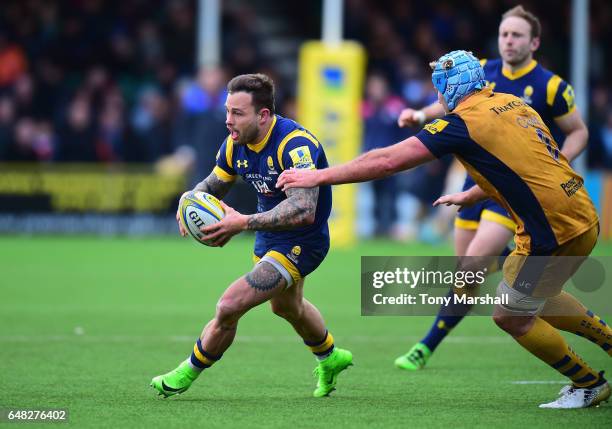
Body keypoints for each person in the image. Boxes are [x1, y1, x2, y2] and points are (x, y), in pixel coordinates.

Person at [277, 50, 611, 409]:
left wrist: (318, 176)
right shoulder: (511, 102)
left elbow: (387, 161)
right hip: (582, 214)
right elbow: (531, 164)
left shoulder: (461, 124)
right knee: (538, 297)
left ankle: (588, 382)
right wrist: (472, 193)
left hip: (550, 230)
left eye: (439, 87)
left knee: (510, 315)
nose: (436, 96)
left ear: (452, 86)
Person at [393, 5, 589, 371]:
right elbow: (452, 102)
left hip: (512, 190)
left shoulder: (551, 86)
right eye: (504, 34)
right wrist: (420, 115)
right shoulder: (481, 72)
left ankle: (425, 345)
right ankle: (431, 343)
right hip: (473, 183)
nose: (508, 41)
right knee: (465, 276)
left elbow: (579, 131)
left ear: (534, 42)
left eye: (516, 35)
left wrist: (555, 161)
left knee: (472, 267)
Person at [150, 74, 352, 398]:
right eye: (227, 111)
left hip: (304, 241)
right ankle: (330, 357)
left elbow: (304, 209)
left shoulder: (295, 145)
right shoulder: (235, 143)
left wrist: (242, 222)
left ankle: (187, 371)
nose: (228, 121)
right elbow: (213, 184)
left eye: (237, 113)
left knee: (230, 305)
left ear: (263, 115)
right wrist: (189, 198)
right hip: (269, 237)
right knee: (287, 308)